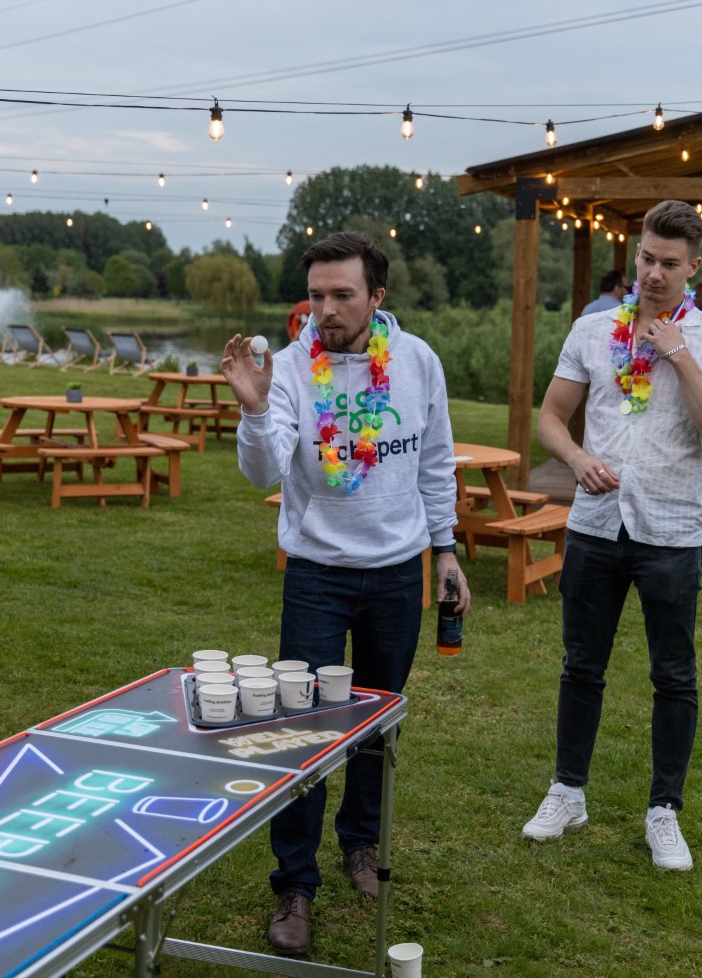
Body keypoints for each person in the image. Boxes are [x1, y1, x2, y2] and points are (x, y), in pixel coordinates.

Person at [221, 231, 470, 953]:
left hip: (396, 573)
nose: (325, 310)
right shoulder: (291, 367)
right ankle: (295, 885)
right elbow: (261, 472)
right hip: (318, 575)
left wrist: (445, 550)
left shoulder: (418, 362)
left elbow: (435, 462)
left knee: (377, 723)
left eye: (342, 295)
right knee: (303, 727)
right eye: (316, 296)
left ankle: (361, 844)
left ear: (376, 297)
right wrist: (255, 410)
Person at [522, 200, 702, 871]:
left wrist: (679, 354)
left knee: (674, 675)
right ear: (636, 255)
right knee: (582, 664)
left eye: (669, 263)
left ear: (693, 267)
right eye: (647, 259)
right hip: (597, 525)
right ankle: (568, 791)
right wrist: (576, 459)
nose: (654, 273)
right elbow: (551, 417)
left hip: (672, 530)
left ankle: (664, 811)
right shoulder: (594, 330)